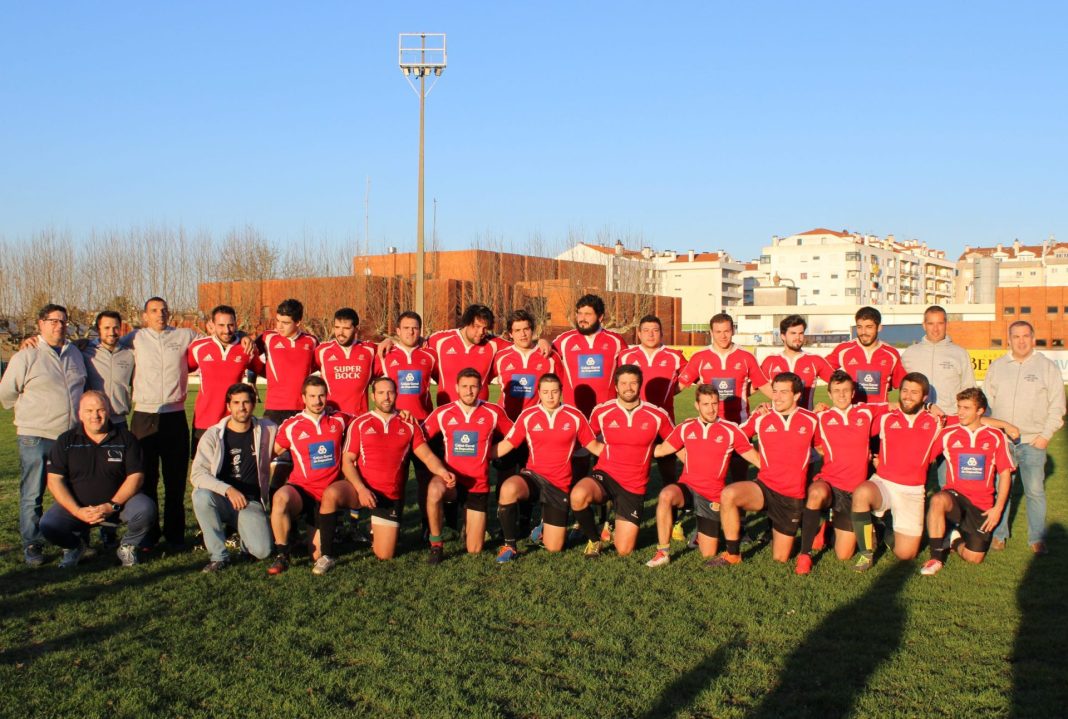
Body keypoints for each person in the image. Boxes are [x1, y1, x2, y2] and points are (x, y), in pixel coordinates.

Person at [313, 377, 455, 570]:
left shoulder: (409, 424)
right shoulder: (360, 423)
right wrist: (361, 489)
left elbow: (428, 457)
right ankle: (326, 555)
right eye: (381, 393)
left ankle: (374, 528)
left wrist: (443, 472)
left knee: (385, 554)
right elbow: (347, 461)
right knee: (331, 494)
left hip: (389, 495)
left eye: (390, 392)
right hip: (360, 490)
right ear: (373, 396)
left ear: (396, 394)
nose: (386, 397)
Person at [0, 303, 87, 566]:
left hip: (70, 437)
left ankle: (73, 541)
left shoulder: (75, 353)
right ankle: (33, 544)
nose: (59, 325)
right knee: (32, 493)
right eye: (53, 321)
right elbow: (6, 393)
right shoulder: (26, 355)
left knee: (74, 491)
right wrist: (32, 411)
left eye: (63, 321)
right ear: (40, 324)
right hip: (36, 436)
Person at [708, 372, 819, 568]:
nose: (777, 397)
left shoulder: (812, 420)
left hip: (791, 496)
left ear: (796, 395)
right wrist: (759, 460)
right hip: (765, 487)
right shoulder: (762, 416)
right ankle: (733, 554)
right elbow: (736, 437)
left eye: (783, 392)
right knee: (729, 494)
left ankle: (806, 530)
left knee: (780, 558)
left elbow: (824, 447)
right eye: (775, 391)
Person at [491, 374, 602, 561]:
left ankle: (543, 528)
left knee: (554, 548)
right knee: (508, 488)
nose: (550, 396)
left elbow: (595, 446)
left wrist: (623, 456)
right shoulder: (528, 415)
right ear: (539, 393)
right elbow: (507, 444)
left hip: (559, 484)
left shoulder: (575, 416)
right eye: (545, 392)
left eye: (554, 391)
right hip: (533, 477)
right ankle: (510, 546)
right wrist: (480, 454)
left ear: (561, 392)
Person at [647, 385, 760, 567]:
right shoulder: (686, 427)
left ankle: (700, 533)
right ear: (697, 405)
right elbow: (660, 450)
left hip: (711, 495)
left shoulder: (731, 430)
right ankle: (663, 552)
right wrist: (631, 445)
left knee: (708, 553)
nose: (711, 409)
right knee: (666, 495)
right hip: (687, 488)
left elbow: (756, 458)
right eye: (706, 404)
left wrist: (778, 474)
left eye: (714, 403)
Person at [41, 391, 154, 568]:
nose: (95, 415)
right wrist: (77, 511)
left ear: (108, 411)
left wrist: (111, 505)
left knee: (146, 509)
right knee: (49, 525)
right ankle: (76, 547)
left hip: (119, 506)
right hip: (79, 507)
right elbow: (55, 480)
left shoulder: (126, 438)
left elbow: (136, 476)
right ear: (80, 414)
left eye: (100, 410)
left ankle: (127, 546)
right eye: (89, 410)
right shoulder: (66, 441)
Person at [570, 364, 673, 558]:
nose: (628, 388)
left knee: (624, 550)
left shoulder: (657, 414)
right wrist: (601, 450)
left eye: (633, 383)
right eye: (624, 383)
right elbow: (586, 437)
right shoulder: (602, 411)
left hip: (634, 485)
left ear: (640, 385)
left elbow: (675, 442)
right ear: (616, 386)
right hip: (606, 475)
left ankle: (615, 523)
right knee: (578, 495)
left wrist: (656, 451)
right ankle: (595, 540)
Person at [123, 297, 201, 549]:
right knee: (146, 478)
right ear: (145, 315)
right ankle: (148, 534)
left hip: (174, 416)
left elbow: (216, 339)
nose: (160, 314)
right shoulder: (134, 338)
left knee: (175, 480)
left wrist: (242, 336)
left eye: (164, 310)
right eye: (154, 311)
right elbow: (104, 344)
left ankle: (175, 535)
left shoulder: (184, 335)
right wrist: (83, 342)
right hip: (144, 416)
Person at [986, 320, 1066, 554]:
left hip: (1033, 442)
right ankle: (999, 535)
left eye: (1025, 336)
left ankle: (1036, 538)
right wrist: (993, 433)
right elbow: (986, 404)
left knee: (1034, 492)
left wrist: (1044, 436)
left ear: (1033, 338)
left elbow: (1057, 406)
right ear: (1009, 339)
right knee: (1002, 490)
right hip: (1002, 442)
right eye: (1016, 336)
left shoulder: (1047, 367)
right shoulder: (998, 367)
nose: (1021, 341)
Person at [849, 372, 941, 572]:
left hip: (913, 491)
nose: (907, 396)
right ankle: (866, 553)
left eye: (914, 392)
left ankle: (882, 527)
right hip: (884, 483)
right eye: (905, 390)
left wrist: (1005, 426)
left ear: (925, 397)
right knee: (862, 493)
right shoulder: (886, 418)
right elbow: (856, 420)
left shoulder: (937, 422)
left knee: (906, 555)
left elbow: (971, 420)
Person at [422, 368, 513, 563]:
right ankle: (436, 544)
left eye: (473, 386)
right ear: (456, 387)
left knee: (474, 549)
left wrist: (489, 453)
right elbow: (419, 439)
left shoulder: (493, 412)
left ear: (481, 388)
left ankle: (465, 525)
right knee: (434, 491)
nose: (469, 391)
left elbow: (514, 437)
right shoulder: (443, 412)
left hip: (477, 484)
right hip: (450, 481)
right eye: (464, 386)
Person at [921, 388, 1015, 575]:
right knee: (938, 499)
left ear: (980, 411)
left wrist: (997, 509)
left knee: (974, 558)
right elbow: (924, 458)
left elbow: (1005, 474)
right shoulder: (948, 433)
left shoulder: (995, 436)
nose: (960, 412)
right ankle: (936, 558)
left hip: (982, 505)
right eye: (959, 407)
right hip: (955, 498)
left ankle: (953, 538)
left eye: (966, 408)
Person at [795, 371, 878, 575]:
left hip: (853, 491)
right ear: (829, 394)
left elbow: (895, 407)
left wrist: (930, 406)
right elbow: (797, 426)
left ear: (853, 393)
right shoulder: (820, 417)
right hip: (830, 483)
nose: (841, 395)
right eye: (837, 391)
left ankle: (829, 525)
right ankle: (804, 555)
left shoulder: (866, 412)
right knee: (816, 493)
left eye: (846, 390)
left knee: (843, 554)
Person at [266, 376, 350, 575]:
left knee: (317, 554)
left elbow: (366, 422)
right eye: (312, 396)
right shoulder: (292, 425)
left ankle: (311, 533)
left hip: (327, 496)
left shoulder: (340, 419)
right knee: (280, 498)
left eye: (321, 396)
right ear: (303, 398)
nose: (317, 401)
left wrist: (401, 413)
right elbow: (271, 453)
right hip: (301, 490)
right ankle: (282, 554)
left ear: (327, 396)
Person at [189, 383, 278, 572]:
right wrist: (228, 490)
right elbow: (197, 474)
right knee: (201, 496)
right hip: (222, 499)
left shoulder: (268, 429)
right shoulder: (213, 434)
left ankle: (244, 538)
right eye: (236, 403)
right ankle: (219, 556)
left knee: (263, 551)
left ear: (254, 404)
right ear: (228, 406)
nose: (242, 407)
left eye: (246, 402)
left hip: (250, 502)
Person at [678, 313, 772, 489]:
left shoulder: (746, 357)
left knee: (739, 477)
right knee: (709, 476)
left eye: (727, 331)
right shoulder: (700, 357)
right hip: (710, 427)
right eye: (718, 331)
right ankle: (708, 503)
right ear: (711, 332)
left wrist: (785, 403)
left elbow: (764, 385)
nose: (723, 336)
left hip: (740, 425)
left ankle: (740, 506)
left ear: (733, 331)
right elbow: (679, 385)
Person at [374, 311, 438, 534]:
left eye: (415, 328)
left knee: (425, 478)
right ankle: (393, 522)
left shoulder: (430, 355)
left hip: (424, 427)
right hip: (395, 428)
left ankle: (427, 523)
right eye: (406, 328)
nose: (411, 332)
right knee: (395, 479)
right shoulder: (385, 353)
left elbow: (447, 380)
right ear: (397, 331)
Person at [618, 314, 688, 484]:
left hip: (665, 420)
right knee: (632, 469)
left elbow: (690, 377)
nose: (650, 334)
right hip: (634, 420)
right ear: (639, 334)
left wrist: (671, 392)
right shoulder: (625, 356)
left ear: (661, 333)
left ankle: (672, 496)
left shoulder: (674, 356)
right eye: (646, 330)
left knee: (668, 468)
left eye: (655, 330)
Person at [186, 304, 255, 456]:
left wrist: (244, 336)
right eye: (221, 325)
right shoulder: (198, 347)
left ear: (236, 323)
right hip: (204, 421)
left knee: (234, 467)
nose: (227, 330)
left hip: (234, 421)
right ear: (212, 325)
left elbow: (263, 369)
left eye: (231, 325)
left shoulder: (247, 348)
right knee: (203, 467)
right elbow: (182, 369)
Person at [552, 294, 628, 419]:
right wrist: (542, 342)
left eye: (588, 314)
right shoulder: (564, 340)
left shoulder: (616, 341)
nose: (582, 318)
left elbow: (629, 374)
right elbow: (542, 356)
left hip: (607, 415)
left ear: (600, 317)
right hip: (574, 415)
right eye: (579, 313)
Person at [253, 298, 319, 426]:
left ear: (298, 322)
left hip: (304, 407)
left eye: (285, 323)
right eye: (277, 320)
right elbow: (249, 356)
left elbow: (320, 365)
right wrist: (252, 380)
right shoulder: (267, 337)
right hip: (274, 408)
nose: (279, 326)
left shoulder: (311, 341)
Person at [900, 306, 976, 416]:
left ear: (946, 324)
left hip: (949, 416)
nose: (935, 329)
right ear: (924, 325)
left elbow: (969, 389)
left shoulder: (960, 354)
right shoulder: (910, 353)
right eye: (931, 324)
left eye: (940, 323)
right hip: (917, 417)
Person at [827, 306, 906, 406]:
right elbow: (819, 369)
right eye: (859, 327)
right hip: (853, 413)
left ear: (879, 327)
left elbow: (903, 384)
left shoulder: (891, 354)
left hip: (880, 413)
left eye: (869, 327)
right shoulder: (843, 350)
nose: (863, 332)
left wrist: (899, 404)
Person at [760, 315, 833, 412]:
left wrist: (831, 409)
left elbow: (840, 384)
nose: (798, 337)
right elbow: (751, 388)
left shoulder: (815, 360)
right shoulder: (770, 361)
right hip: (777, 419)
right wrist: (762, 407)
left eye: (801, 333)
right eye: (793, 333)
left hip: (806, 419)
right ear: (783, 336)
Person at [315, 307, 377, 416]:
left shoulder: (370, 350)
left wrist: (388, 341)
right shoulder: (322, 351)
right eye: (337, 327)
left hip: (359, 419)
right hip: (331, 418)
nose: (340, 332)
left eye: (346, 328)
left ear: (356, 329)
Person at [82, 310, 134, 428]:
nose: (112, 332)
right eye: (106, 328)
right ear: (98, 329)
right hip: (92, 421)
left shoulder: (130, 354)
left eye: (115, 328)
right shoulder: (85, 351)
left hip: (119, 421)